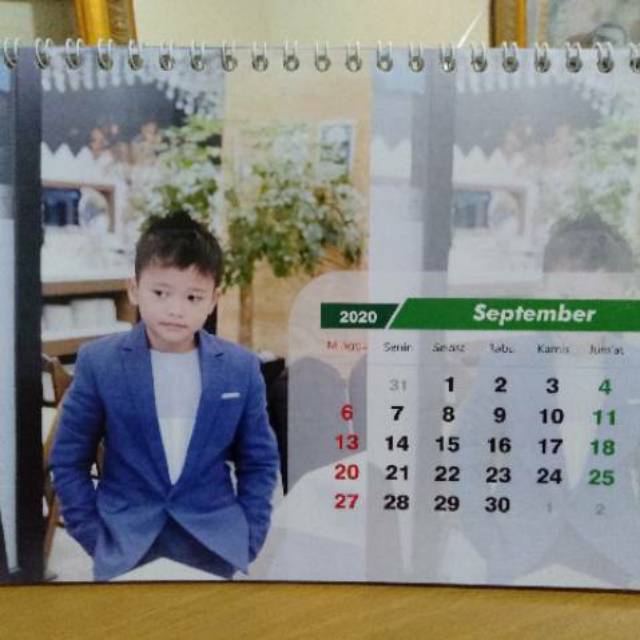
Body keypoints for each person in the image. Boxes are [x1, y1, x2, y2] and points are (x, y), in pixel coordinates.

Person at [49, 210, 280, 582]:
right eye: (160, 293)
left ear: (214, 299)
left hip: (213, 545)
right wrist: (96, 538)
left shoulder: (240, 367)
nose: (176, 309)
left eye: (193, 297)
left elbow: (260, 462)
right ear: (134, 288)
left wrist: (249, 536)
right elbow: (67, 460)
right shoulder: (100, 362)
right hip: (125, 545)